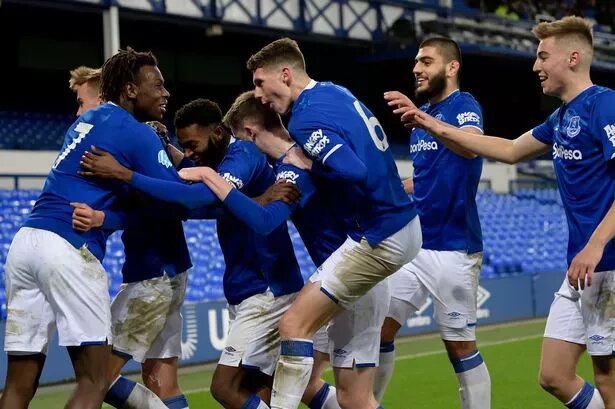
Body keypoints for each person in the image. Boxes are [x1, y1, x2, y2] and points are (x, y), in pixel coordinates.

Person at [400, 16, 614, 409]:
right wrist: (434, 125)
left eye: (543, 56)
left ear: (572, 58)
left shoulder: (605, 104)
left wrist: (597, 244)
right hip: (581, 269)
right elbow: (511, 150)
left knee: (607, 376)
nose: (535, 66)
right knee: (553, 376)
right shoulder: (560, 118)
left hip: (608, 264)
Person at [78, 98, 304, 409]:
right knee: (254, 389)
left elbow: (194, 199)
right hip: (247, 289)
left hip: (267, 289)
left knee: (224, 387)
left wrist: (125, 174)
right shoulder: (215, 163)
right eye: (183, 145)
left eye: (192, 144)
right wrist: (167, 150)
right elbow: (196, 192)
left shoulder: (243, 155)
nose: (188, 153)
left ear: (218, 132)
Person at [181, 90, 391, 409]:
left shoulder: (295, 165)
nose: (242, 154)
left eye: (241, 142)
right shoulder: (295, 161)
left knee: (353, 396)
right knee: (301, 383)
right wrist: (257, 197)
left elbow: (265, 221)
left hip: (353, 278)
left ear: (249, 133)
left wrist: (215, 180)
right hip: (338, 279)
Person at [246, 37, 422, 409]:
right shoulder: (334, 92)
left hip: (378, 234)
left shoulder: (304, 118)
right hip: (400, 224)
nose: (258, 94)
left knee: (293, 326)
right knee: (353, 398)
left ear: (285, 74)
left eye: (260, 83)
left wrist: (308, 163)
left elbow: (353, 170)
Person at [0, 47, 177, 409]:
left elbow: (119, 205)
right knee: (95, 379)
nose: (165, 92)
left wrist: (105, 218)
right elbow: (177, 199)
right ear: (130, 90)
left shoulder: (83, 124)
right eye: (157, 85)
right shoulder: (136, 134)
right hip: (68, 249)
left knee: (18, 381)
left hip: (26, 242)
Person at [373, 37, 491, 409]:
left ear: (451, 67)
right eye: (416, 62)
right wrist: (389, 188)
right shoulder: (421, 117)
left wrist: (423, 119)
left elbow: (471, 145)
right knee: (378, 331)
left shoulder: (463, 104)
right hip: (416, 248)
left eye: (426, 61)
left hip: (455, 248)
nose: (416, 68)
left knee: (460, 347)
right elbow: (424, 179)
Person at [68, 65, 190, 409]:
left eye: (82, 102)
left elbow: (169, 201)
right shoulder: (140, 136)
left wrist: (102, 217)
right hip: (169, 270)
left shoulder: (131, 139)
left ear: (103, 99)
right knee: (162, 380)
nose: (78, 113)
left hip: (152, 275)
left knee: (98, 378)